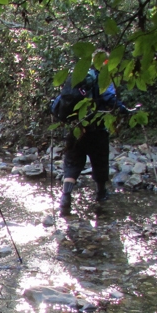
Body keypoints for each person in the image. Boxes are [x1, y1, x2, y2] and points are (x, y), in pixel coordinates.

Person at [52, 67, 129, 215]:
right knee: (99, 161)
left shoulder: (76, 77)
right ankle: (101, 195)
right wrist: (124, 109)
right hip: (96, 130)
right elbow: (110, 98)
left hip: (75, 129)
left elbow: (58, 102)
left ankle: (66, 197)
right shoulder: (102, 79)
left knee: (72, 164)